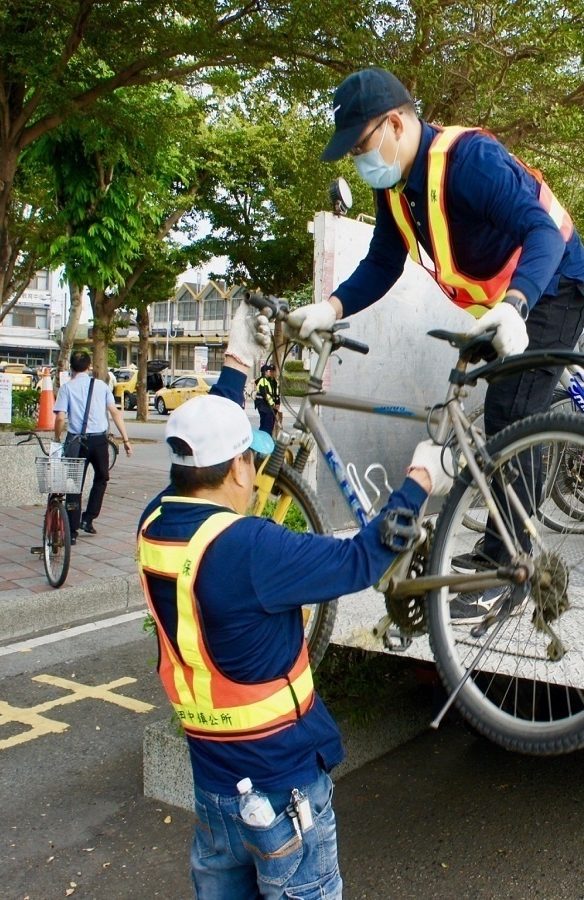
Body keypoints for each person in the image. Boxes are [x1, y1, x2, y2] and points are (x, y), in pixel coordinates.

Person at [138, 305, 451, 898]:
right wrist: (420, 478)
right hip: (283, 793)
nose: (255, 472)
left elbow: (199, 453)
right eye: (251, 460)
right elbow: (362, 560)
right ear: (237, 466)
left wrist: (236, 365)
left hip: (214, 789)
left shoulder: (154, 523)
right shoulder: (250, 547)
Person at [289, 67, 584, 620]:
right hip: (500, 304)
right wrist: (330, 308)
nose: (362, 163)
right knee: (468, 411)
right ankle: (489, 535)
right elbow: (383, 262)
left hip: (555, 286)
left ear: (395, 123)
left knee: (511, 412)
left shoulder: (469, 162)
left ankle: (509, 569)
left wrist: (517, 304)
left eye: (363, 146)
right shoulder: (396, 191)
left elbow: (543, 234)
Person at [53, 350, 132, 540]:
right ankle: (88, 518)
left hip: (75, 440)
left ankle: (71, 531)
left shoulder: (67, 388)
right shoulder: (102, 386)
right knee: (102, 477)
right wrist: (126, 439)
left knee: (74, 483)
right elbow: (115, 413)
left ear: (71, 367)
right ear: (89, 367)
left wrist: (57, 439)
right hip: (99, 441)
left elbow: (61, 418)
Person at [255, 361, 281, 436]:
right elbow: (266, 395)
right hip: (264, 406)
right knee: (266, 426)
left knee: (268, 426)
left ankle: (266, 440)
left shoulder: (272, 381)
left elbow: (276, 394)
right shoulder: (263, 381)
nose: (270, 373)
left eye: (272, 371)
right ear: (265, 372)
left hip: (267, 406)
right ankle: (264, 440)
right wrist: (273, 404)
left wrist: (277, 404)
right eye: (269, 371)